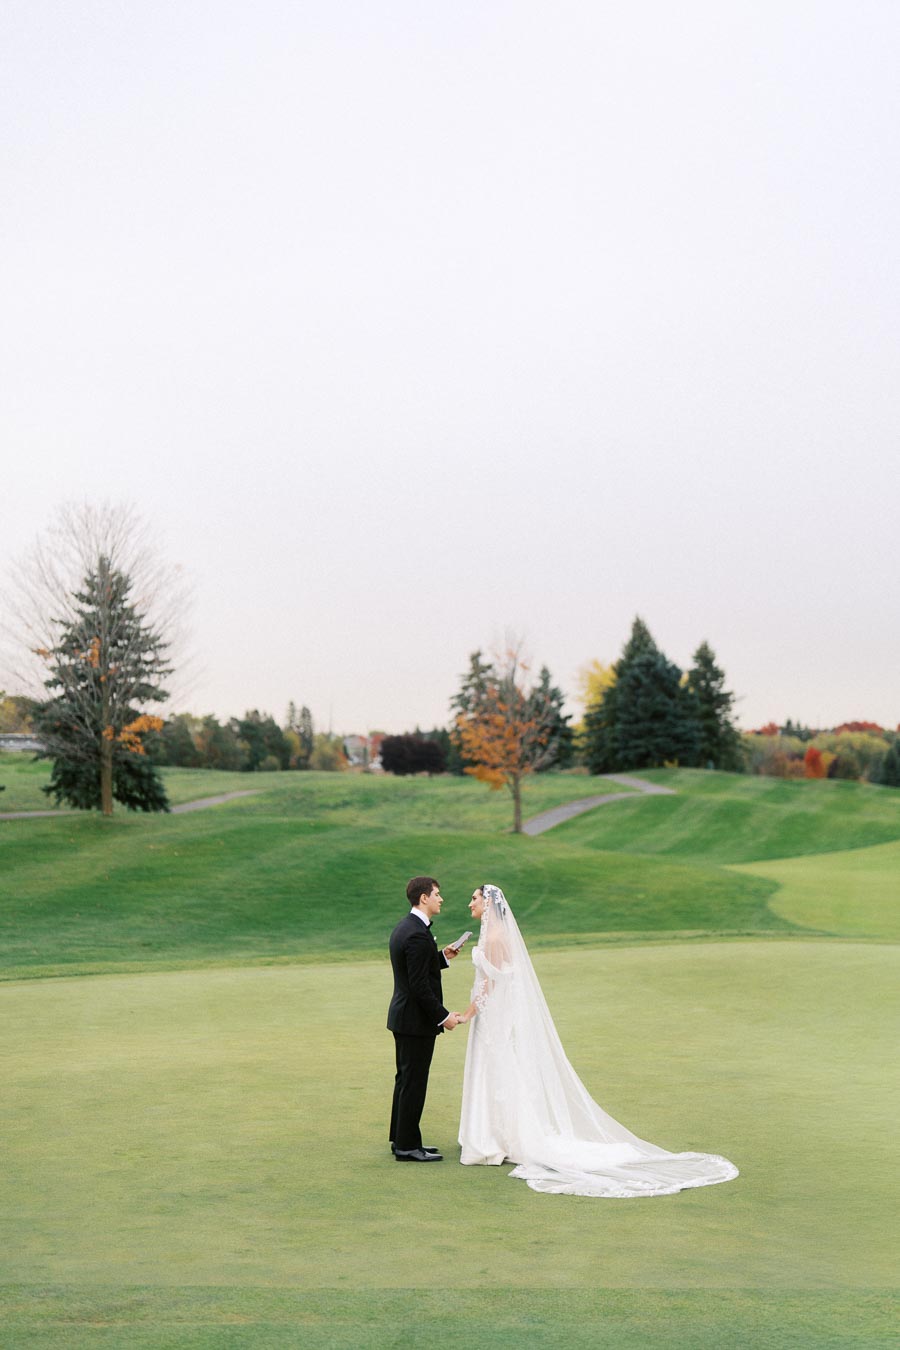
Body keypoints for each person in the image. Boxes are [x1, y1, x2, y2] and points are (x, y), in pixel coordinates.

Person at [457, 883, 739, 1197]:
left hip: (493, 1014)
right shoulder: (495, 936)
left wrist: (467, 1014)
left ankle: (497, 1139)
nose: (470, 903)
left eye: (475, 898)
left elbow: (490, 985)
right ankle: (500, 1135)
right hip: (497, 1014)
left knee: (498, 1071)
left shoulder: (495, 937)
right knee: (501, 1071)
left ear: (489, 904)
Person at [387, 876, 463, 1162]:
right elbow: (419, 986)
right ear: (423, 898)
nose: (440, 899)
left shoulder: (409, 927)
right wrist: (444, 1017)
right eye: (437, 894)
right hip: (414, 1021)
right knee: (414, 1081)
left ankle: (401, 1139)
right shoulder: (417, 933)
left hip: (404, 1018)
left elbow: (414, 968)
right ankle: (407, 1146)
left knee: (406, 1079)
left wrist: (441, 957)